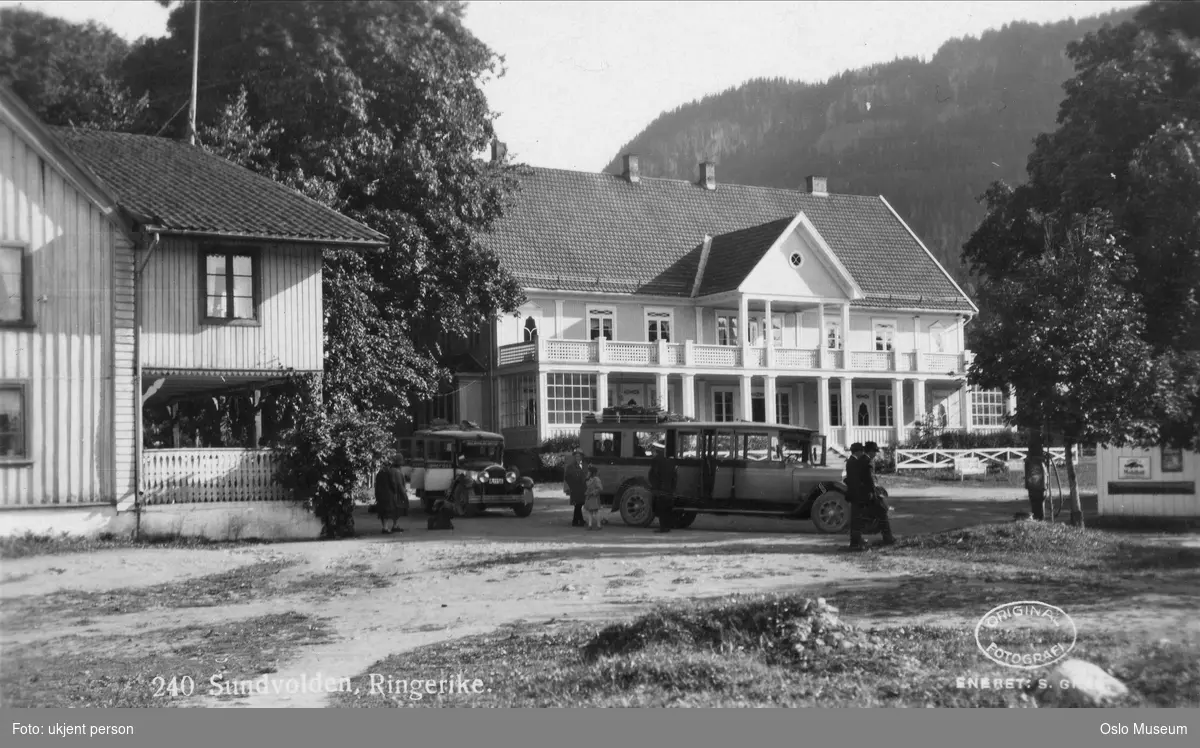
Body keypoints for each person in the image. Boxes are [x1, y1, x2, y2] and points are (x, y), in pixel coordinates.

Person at [374, 455, 409, 535]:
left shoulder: (380, 472)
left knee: (383, 512)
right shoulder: (394, 472)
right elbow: (396, 484)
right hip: (390, 495)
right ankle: (393, 526)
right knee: (394, 510)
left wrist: (377, 494)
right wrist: (403, 495)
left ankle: (385, 527)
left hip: (380, 494)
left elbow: (376, 484)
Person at [844, 442, 869, 550]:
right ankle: (854, 543)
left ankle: (857, 540)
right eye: (861, 451)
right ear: (858, 451)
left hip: (854, 494)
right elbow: (854, 480)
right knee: (856, 519)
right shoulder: (853, 462)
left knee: (857, 519)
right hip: (856, 494)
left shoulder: (851, 461)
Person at [648, 445, 677, 534]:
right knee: (667, 509)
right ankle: (667, 527)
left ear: (656, 452)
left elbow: (654, 475)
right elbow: (675, 477)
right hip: (669, 490)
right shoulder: (670, 462)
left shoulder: (656, 461)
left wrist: (655, 487)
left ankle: (662, 528)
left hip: (660, 489)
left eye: (653, 451)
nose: (652, 453)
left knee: (661, 509)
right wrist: (672, 488)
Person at [564, 448, 588, 527]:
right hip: (575, 488)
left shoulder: (585, 465)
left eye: (579, 456)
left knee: (579, 504)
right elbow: (567, 477)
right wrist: (572, 485)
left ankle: (579, 520)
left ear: (582, 457)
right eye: (576, 456)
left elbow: (587, 475)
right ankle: (576, 521)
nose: (578, 457)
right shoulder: (571, 466)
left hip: (583, 488)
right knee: (577, 504)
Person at [584, 465, 603, 531]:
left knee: (596, 511)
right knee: (590, 511)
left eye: (589, 471)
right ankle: (590, 525)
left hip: (594, 497)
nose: (588, 472)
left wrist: (593, 493)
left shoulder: (596, 479)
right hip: (589, 497)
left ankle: (598, 525)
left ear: (592, 472)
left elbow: (600, 488)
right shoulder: (589, 479)